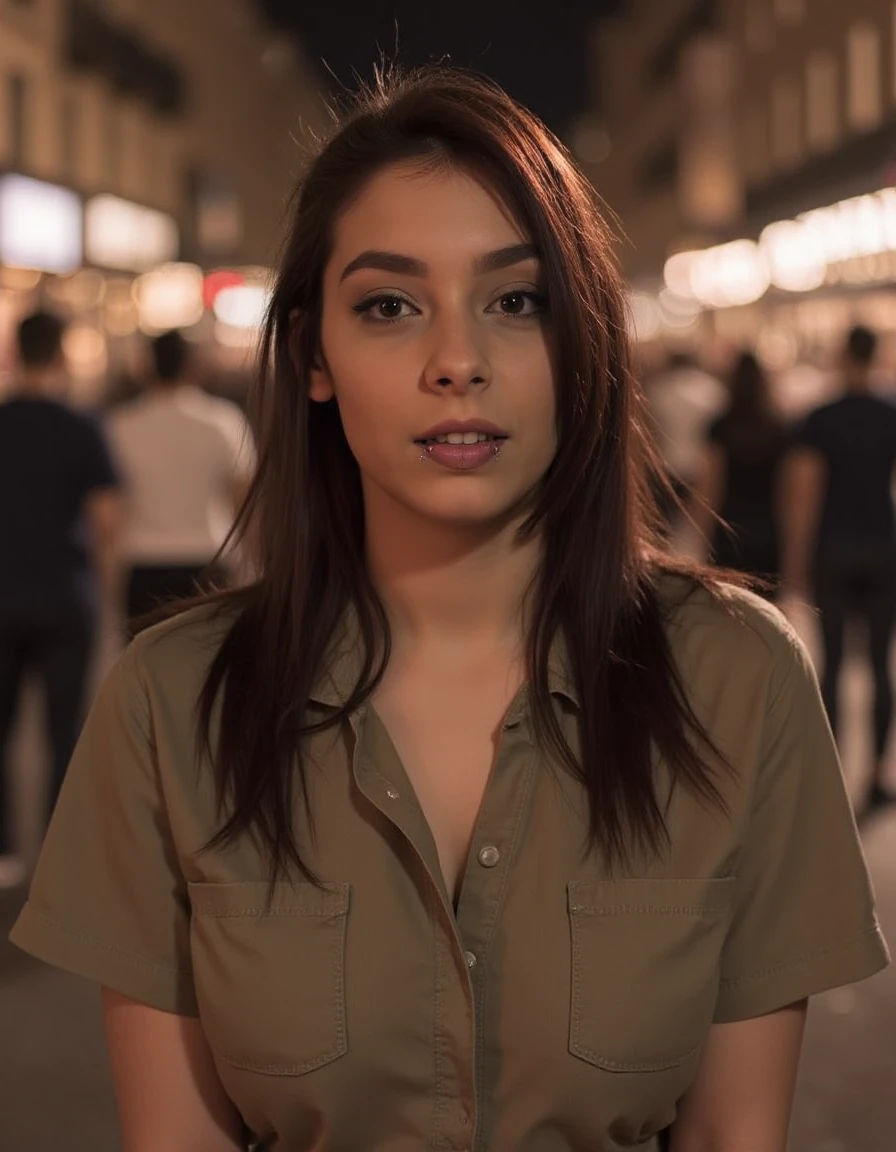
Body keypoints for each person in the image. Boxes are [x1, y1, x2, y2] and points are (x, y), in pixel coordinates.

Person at [10, 69, 888, 1151]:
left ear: (583, 346)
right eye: (389, 305)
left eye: (515, 301)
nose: (456, 363)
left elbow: (731, 1136)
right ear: (313, 355)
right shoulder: (173, 700)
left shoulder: (735, 677)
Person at [0, 310, 119, 888]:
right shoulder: (82, 427)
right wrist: (106, 588)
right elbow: (104, 520)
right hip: (67, 596)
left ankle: (2, 854)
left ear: (16, 351)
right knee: (62, 730)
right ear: (62, 353)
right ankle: (56, 857)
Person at [784, 324, 896, 815]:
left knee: (830, 666)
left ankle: (831, 775)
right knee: (878, 664)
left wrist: (795, 557)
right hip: (881, 546)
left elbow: (806, 491)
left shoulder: (820, 418)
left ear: (841, 354)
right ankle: (875, 776)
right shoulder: (890, 413)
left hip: (832, 547)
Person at [105, 329, 255, 630]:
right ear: (194, 367)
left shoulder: (120, 425)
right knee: (206, 668)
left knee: (144, 668)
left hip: (143, 560)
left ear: (146, 367)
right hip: (209, 558)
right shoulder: (223, 421)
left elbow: (111, 508)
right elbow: (242, 497)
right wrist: (248, 562)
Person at [692, 350, 789, 591]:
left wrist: (700, 536)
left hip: (728, 530)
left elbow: (710, 486)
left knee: (730, 611)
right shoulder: (779, 429)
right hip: (769, 530)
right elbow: (788, 490)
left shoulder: (722, 426)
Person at [644, 348, 727, 536]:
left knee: (664, 529)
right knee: (696, 528)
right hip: (701, 466)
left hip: (667, 465)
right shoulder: (712, 389)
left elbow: (652, 431)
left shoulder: (661, 389)